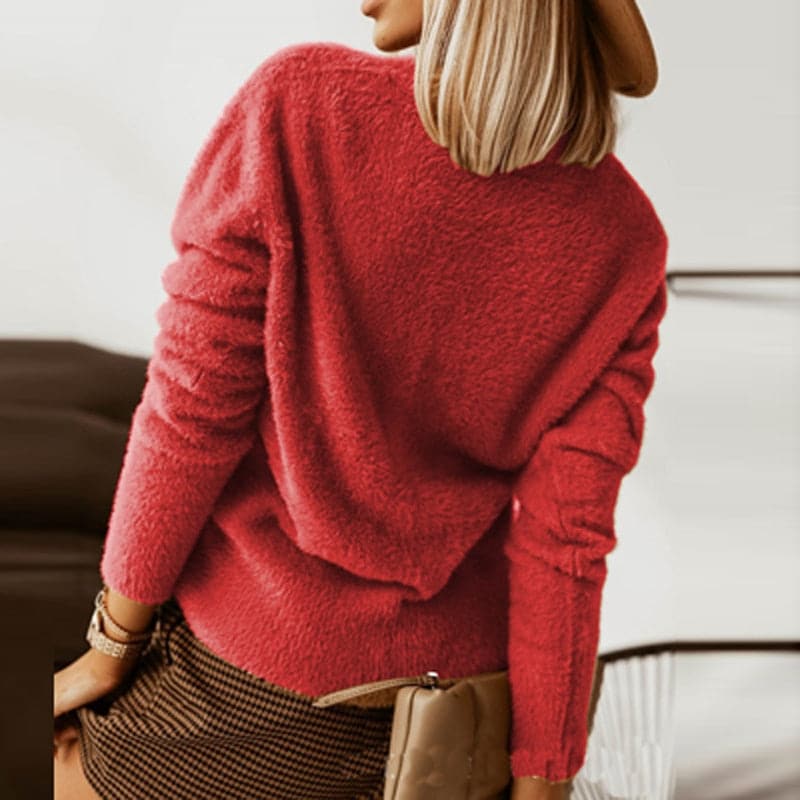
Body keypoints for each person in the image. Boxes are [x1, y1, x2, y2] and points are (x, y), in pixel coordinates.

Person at [53, 1, 668, 798]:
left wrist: (110, 647)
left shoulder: (300, 105)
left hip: (250, 688)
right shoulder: (626, 238)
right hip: (451, 734)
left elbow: (192, 409)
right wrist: (542, 780)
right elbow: (566, 547)